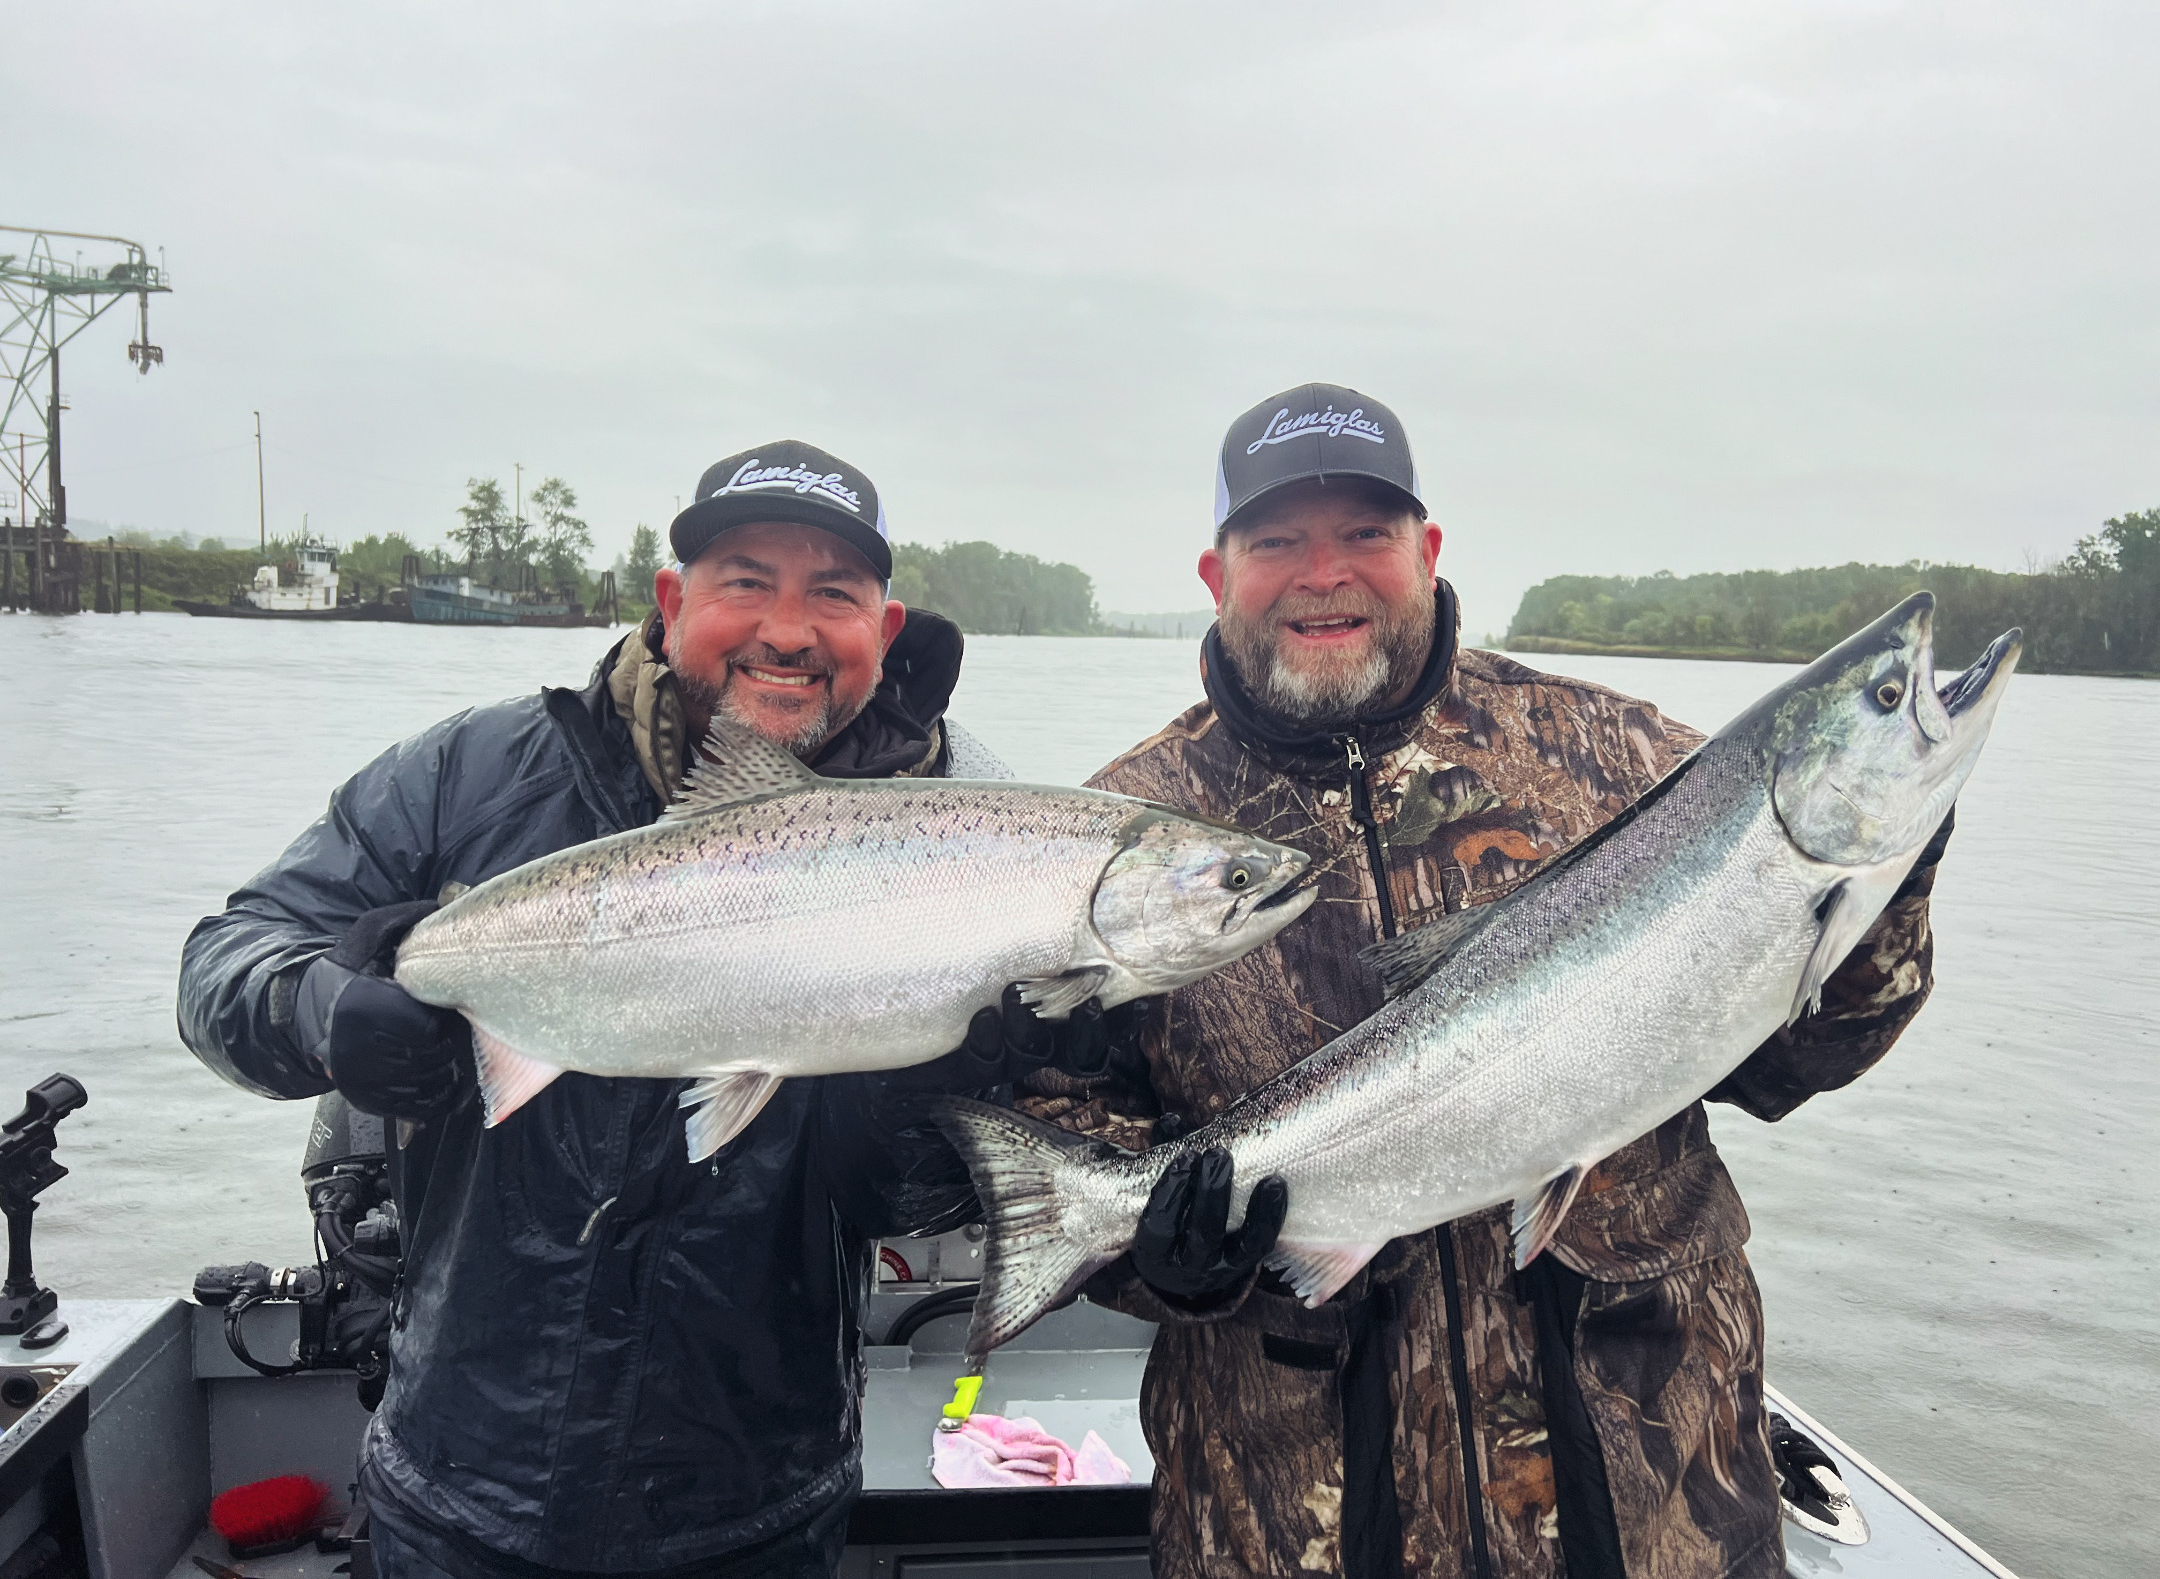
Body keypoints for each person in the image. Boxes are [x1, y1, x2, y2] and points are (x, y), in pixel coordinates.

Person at [1018, 386, 1947, 1579]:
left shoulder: (1623, 760)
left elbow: (1796, 1064)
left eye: (1365, 533)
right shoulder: (1132, 838)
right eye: (1278, 541)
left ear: (1428, 551)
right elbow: (1058, 1114)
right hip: (1288, 1520)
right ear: (1216, 573)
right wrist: (1161, 1263)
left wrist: (1890, 884)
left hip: (1658, 1501)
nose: (1325, 574)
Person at [178, 440, 1099, 1579]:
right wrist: (323, 1010)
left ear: (886, 629)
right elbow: (223, 961)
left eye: (834, 595)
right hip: (461, 1489)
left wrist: (950, 1091)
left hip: (757, 1506)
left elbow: (909, 1204)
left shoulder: (976, 841)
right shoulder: (471, 775)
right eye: (746, 582)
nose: (789, 629)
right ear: (672, 605)